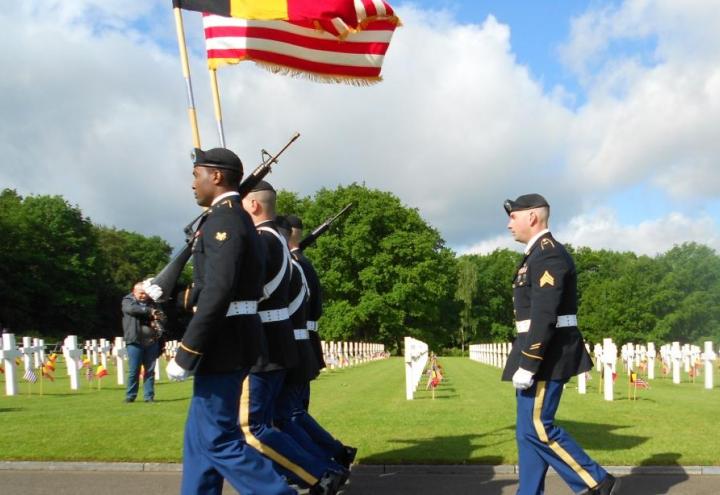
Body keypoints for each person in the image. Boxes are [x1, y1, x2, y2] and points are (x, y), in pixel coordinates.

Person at [150, 147, 293, 495]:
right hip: (232, 339)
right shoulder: (232, 218)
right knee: (198, 443)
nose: (192, 184)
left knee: (217, 440)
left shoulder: (225, 221)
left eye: (197, 174)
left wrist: (188, 351)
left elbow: (218, 290)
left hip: (224, 343)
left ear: (216, 176)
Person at [501, 194, 619, 495]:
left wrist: (529, 362)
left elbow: (544, 314)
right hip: (537, 351)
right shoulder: (535, 255)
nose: (508, 224)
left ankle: (595, 481)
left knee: (539, 428)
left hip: (546, 355)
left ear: (532, 217)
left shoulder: (548, 254)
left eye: (513, 217)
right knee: (527, 434)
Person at [241, 183, 345, 495]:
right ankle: (327, 465)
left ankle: (322, 469)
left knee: (277, 419)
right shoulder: (296, 261)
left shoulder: (290, 259)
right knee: (286, 416)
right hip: (294, 344)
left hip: (281, 345)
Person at [285, 214, 357, 469]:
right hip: (307, 342)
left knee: (290, 414)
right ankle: (331, 457)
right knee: (296, 412)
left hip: (295, 342)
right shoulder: (304, 263)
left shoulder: (294, 265)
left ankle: (324, 464)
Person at [121, 282, 161, 403]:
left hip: (151, 341)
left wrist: (158, 318)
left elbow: (161, 315)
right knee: (134, 370)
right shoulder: (127, 301)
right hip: (134, 341)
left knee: (150, 371)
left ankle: (149, 397)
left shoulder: (153, 302)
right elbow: (132, 310)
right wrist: (150, 311)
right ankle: (130, 396)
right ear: (134, 292)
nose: (143, 295)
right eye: (141, 293)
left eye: (145, 293)